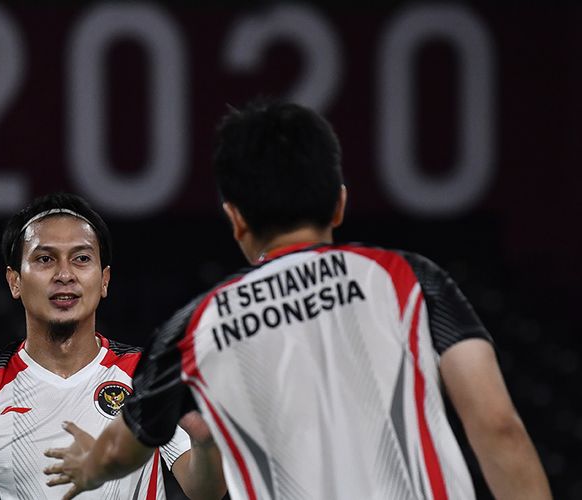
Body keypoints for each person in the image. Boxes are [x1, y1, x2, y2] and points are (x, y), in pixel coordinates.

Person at [43, 101, 552, 500]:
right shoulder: (411, 279)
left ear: (236, 218)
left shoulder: (196, 327)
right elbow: (498, 427)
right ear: (339, 202)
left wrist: (89, 469)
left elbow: (122, 448)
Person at [0, 193, 227, 500]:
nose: (64, 275)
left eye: (81, 258)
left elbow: (207, 492)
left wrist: (205, 440)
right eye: (45, 259)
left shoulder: (148, 377)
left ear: (104, 280)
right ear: (14, 281)